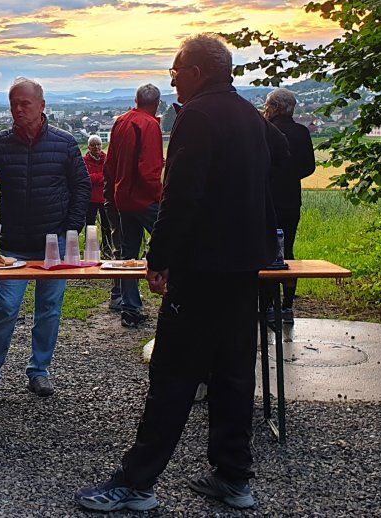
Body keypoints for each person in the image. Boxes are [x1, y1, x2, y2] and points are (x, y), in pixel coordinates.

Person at [76, 34, 278, 512]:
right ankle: (233, 478)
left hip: (201, 267)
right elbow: (281, 160)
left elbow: (181, 195)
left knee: (172, 374)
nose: (172, 81)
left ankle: (136, 483)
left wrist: (160, 257)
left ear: (197, 72)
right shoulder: (251, 114)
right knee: (232, 373)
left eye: (175, 71)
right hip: (244, 265)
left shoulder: (197, 116)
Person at [0, 78, 90, 404]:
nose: (18, 109)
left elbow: (82, 187)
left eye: (25, 103)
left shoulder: (64, 143)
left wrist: (71, 230)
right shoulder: (0, 144)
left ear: (42, 106)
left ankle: (39, 371)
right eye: (13, 104)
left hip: (54, 244)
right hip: (14, 245)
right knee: (5, 309)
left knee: (49, 310)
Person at [103, 84, 164, 327]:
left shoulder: (120, 121)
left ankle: (129, 308)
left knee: (128, 253)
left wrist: (113, 191)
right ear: (157, 103)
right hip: (145, 199)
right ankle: (176, 300)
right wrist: (160, 197)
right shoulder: (150, 125)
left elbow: (110, 162)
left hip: (123, 199)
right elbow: (149, 170)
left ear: (136, 100)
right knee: (170, 241)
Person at [262, 88, 315, 326]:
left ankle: (267, 306)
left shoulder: (266, 130)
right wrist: (290, 176)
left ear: (275, 108)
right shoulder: (302, 132)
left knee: (266, 252)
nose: (265, 110)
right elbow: (309, 167)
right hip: (291, 199)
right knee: (288, 252)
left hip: (268, 200)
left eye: (267, 106)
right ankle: (287, 306)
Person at [83, 134, 118, 261]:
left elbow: (111, 176)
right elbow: (86, 178)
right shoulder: (84, 161)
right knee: (89, 225)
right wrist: (102, 177)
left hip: (104, 197)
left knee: (107, 226)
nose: (96, 147)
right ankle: (90, 249)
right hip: (90, 199)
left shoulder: (107, 159)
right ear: (89, 147)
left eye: (98, 144)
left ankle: (107, 249)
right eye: (93, 145)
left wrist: (95, 177)